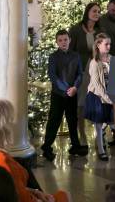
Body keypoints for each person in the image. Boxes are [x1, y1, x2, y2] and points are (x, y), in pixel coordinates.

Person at [0, 98, 70, 202]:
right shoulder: (0, 158)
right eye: (9, 120)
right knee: (63, 195)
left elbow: (10, 189)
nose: (12, 123)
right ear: (2, 127)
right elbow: (20, 198)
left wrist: (36, 192)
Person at [41, 30, 87, 161]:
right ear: (56, 42)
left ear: (69, 40)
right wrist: (67, 89)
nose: (63, 42)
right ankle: (47, 147)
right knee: (54, 120)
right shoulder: (53, 57)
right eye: (60, 40)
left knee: (73, 120)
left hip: (72, 93)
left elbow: (80, 74)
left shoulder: (76, 56)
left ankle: (75, 146)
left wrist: (75, 87)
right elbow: (53, 76)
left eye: (65, 40)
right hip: (58, 95)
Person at [69, 2, 101, 148]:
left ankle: (98, 137)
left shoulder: (100, 30)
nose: (97, 14)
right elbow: (70, 52)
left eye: (99, 12)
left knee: (97, 102)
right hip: (82, 71)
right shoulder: (75, 30)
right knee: (81, 104)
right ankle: (81, 134)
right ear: (87, 12)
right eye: (94, 11)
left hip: (96, 70)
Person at [84, 33, 115, 161]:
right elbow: (97, 85)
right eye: (106, 44)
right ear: (98, 45)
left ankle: (108, 137)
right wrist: (108, 99)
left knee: (112, 121)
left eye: (109, 44)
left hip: (109, 95)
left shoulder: (111, 58)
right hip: (97, 96)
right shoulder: (94, 63)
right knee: (98, 123)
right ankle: (101, 150)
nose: (108, 46)